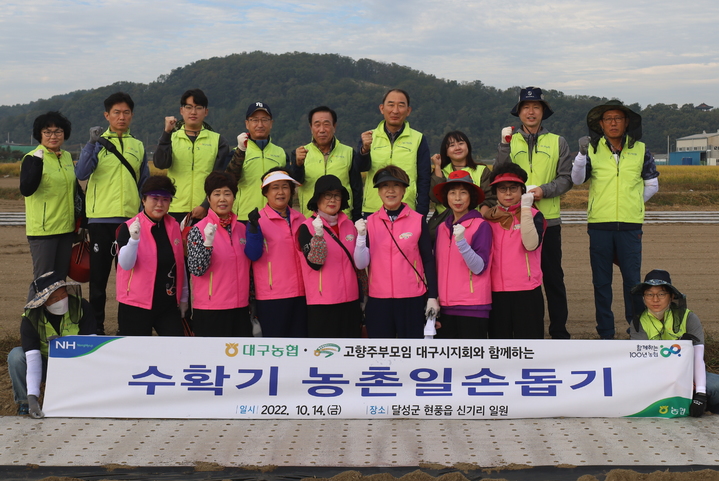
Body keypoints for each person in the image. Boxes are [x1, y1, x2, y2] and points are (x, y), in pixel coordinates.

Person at [572, 100, 659, 339]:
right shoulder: (592, 149)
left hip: (630, 226)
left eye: (618, 118)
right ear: (600, 124)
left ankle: (637, 331)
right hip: (600, 225)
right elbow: (578, 180)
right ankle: (606, 333)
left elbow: (652, 184)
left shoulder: (640, 149)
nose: (613, 122)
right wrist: (580, 156)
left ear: (626, 122)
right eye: (608, 119)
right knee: (601, 282)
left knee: (632, 282)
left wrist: (632, 201)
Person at [496, 87, 573, 339]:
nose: (531, 111)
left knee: (553, 279)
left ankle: (559, 332)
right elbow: (498, 175)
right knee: (522, 280)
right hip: (516, 221)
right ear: (518, 112)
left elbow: (566, 179)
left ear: (543, 112)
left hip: (548, 219)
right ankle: (526, 331)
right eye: (525, 107)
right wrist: (503, 146)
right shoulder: (509, 140)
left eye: (536, 107)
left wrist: (543, 190)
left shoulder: (558, 141)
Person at [75, 92, 149, 335]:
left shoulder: (137, 145)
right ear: (107, 115)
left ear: (132, 115)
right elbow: (82, 173)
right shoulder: (96, 143)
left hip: (129, 223)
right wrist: (90, 144)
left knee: (129, 279)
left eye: (126, 112)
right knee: (98, 281)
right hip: (100, 221)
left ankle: (126, 328)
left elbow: (144, 183)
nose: (121, 117)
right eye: (116, 112)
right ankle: (96, 328)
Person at [354, 166, 438, 338]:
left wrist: (433, 296)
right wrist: (361, 237)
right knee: (381, 352)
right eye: (385, 186)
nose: (390, 190)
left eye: (396, 185)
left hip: (412, 298)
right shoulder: (369, 222)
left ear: (404, 189)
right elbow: (361, 264)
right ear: (378, 191)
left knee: (411, 349)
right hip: (379, 299)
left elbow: (428, 260)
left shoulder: (418, 220)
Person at [629, 269, 719, 417]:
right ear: (643, 298)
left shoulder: (689, 318)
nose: (655, 299)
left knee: (715, 385)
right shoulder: (638, 323)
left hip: (689, 374)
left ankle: (705, 403)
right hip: (655, 378)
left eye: (661, 294)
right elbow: (642, 362)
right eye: (649, 294)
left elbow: (698, 358)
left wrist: (701, 392)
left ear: (671, 296)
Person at [7, 272, 96, 418]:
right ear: (43, 301)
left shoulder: (81, 306)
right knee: (16, 356)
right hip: (45, 364)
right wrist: (32, 397)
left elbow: (92, 345)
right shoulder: (31, 319)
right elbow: (33, 358)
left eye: (63, 295)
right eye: (54, 298)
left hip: (75, 363)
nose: (61, 300)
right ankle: (24, 403)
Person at [115, 176, 187, 336]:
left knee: (176, 350)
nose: (160, 204)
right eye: (154, 199)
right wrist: (133, 240)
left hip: (167, 304)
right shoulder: (129, 227)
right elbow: (125, 265)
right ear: (143, 200)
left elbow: (179, 265)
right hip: (136, 305)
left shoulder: (174, 225)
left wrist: (184, 298)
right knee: (136, 356)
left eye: (165, 199)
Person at [187, 172, 253, 337]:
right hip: (211, 309)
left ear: (234, 198)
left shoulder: (242, 230)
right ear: (208, 199)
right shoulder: (198, 230)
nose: (222, 199)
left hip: (240, 307)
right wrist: (207, 244)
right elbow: (196, 268)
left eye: (227, 194)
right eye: (217, 194)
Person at [483, 163, 546, 339]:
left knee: (530, 344)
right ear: (495, 192)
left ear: (522, 190)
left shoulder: (534, 215)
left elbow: (531, 244)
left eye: (513, 188)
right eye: (502, 189)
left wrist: (525, 209)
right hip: (496, 291)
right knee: (500, 346)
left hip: (526, 290)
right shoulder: (488, 219)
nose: (508, 194)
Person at [20, 111, 77, 301]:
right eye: (48, 132)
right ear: (40, 135)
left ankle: (57, 325)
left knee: (60, 282)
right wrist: (37, 162)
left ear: (64, 133)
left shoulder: (67, 157)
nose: (53, 136)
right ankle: (31, 326)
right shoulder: (31, 158)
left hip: (66, 229)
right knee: (42, 281)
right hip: (43, 230)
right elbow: (26, 189)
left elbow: (75, 190)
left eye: (58, 131)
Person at [245, 168, 307, 337]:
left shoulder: (301, 219)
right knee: (276, 346)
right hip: (272, 295)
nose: (281, 192)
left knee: (300, 346)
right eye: (275, 187)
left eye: (285, 187)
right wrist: (253, 230)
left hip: (302, 293)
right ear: (265, 192)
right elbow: (252, 254)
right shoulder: (257, 220)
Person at [297, 175, 362, 337]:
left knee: (350, 353)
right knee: (325, 353)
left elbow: (358, 263)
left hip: (351, 300)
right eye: (327, 195)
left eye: (336, 195)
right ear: (318, 198)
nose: (332, 200)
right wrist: (318, 237)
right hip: (322, 302)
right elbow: (315, 263)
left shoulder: (350, 225)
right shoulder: (307, 228)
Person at [153, 88, 230, 223]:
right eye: (189, 107)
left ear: (206, 112)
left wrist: (205, 205)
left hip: (207, 210)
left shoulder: (218, 141)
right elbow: (160, 163)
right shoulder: (172, 137)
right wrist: (166, 133)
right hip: (174, 208)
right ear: (181, 111)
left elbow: (219, 179)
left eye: (198, 108)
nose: (193, 112)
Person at [432, 170, 492, 339]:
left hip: (473, 307)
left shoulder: (480, 225)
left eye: (463, 193)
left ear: (471, 197)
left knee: (471, 362)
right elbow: (437, 267)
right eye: (452, 193)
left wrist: (462, 242)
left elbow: (479, 267)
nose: (457, 198)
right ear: (446, 197)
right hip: (445, 306)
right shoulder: (442, 228)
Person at [358, 89, 431, 217]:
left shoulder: (418, 138)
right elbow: (360, 167)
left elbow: (424, 178)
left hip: (407, 209)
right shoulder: (368, 137)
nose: (395, 110)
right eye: (391, 105)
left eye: (401, 105)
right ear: (382, 108)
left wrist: (422, 211)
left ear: (408, 111)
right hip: (373, 208)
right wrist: (364, 150)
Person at [289, 106, 362, 221]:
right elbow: (296, 182)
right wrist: (298, 164)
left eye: (326, 124)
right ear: (311, 127)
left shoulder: (349, 153)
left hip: (343, 220)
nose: (322, 129)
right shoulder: (300, 153)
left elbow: (356, 189)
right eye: (317, 125)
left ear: (334, 127)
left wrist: (357, 219)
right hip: (310, 220)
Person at [225, 101, 288, 221]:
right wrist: (241, 150)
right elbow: (229, 181)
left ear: (271, 123)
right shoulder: (237, 152)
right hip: (244, 217)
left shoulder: (281, 153)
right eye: (255, 120)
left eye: (265, 120)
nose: (260, 124)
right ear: (247, 124)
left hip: (275, 217)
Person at [430, 131, 494, 217]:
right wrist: (437, 166)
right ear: (446, 152)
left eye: (461, 143)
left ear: (468, 147)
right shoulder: (441, 172)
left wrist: (480, 221)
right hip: (445, 223)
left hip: (475, 221)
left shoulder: (482, 170)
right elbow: (436, 197)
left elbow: (489, 198)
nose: (457, 148)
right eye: (452, 145)